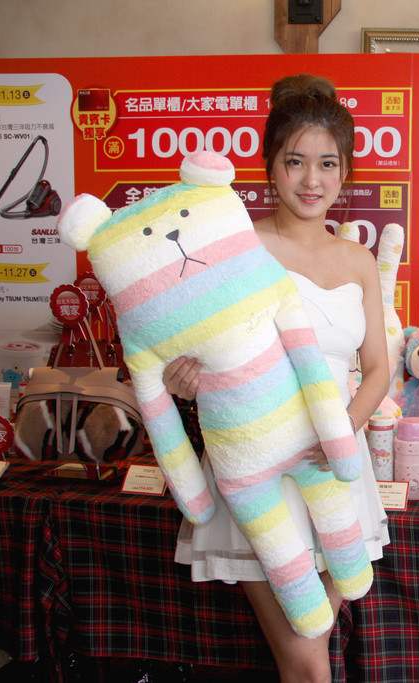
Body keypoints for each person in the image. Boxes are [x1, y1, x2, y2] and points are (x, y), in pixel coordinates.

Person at [165, 73, 391, 683]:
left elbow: (377, 369)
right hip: (256, 472)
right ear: (269, 167)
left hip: (332, 467)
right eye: (295, 161)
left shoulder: (358, 260)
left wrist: (342, 430)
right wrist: (182, 377)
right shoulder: (233, 250)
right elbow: (187, 352)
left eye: (327, 164)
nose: (311, 180)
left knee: (312, 654)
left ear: (345, 173)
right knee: (306, 658)